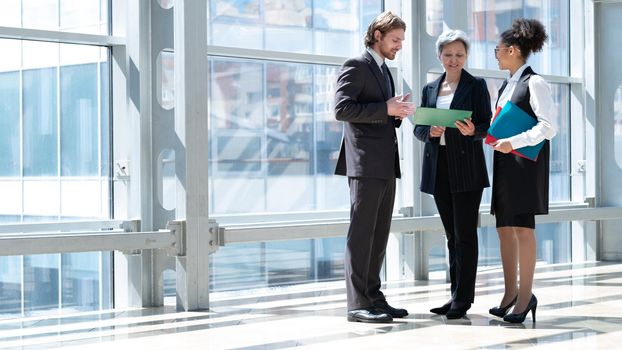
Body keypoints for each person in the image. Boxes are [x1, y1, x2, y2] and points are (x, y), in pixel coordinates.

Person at [334, 11, 414, 323]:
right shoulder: (357, 64)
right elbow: (342, 108)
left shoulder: (383, 70)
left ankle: (373, 297)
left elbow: (377, 113)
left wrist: (395, 113)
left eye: (402, 41)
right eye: (395, 40)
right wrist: (385, 107)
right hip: (365, 163)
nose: (399, 46)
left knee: (379, 235)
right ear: (377, 36)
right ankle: (357, 304)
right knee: (362, 234)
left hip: (383, 162)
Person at [413, 30, 491, 319]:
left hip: (467, 168)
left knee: (465, 235)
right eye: (448, 55)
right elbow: (418, 128)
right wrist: (430, 133)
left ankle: (463, 299)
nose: (454, 59)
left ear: (466, 56)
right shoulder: (430, 89)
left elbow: (486, 123)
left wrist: (474, 132)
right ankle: (455, 294)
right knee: (450, 236)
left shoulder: (476, 85)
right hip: (439, 167)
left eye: (459, 55)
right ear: (439, 56)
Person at [488, 18, 556, 324]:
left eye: (498, 49)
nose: (496, 54)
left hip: (525, 163)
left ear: (512, 50)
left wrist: (513, 141)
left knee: (523, 229)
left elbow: (549, 127)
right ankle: (510, 293)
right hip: (504, 162)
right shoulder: (507, 83)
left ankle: (526, 297)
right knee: (504, 228)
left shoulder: (534, 82)